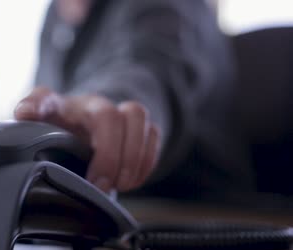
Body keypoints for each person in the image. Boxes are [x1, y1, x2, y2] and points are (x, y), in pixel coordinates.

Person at [14, 0, 255, 198]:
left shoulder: (168, 7)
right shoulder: (55, 17)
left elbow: (152, 68)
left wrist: (106, 108)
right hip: (92, 209)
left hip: (193, 214)